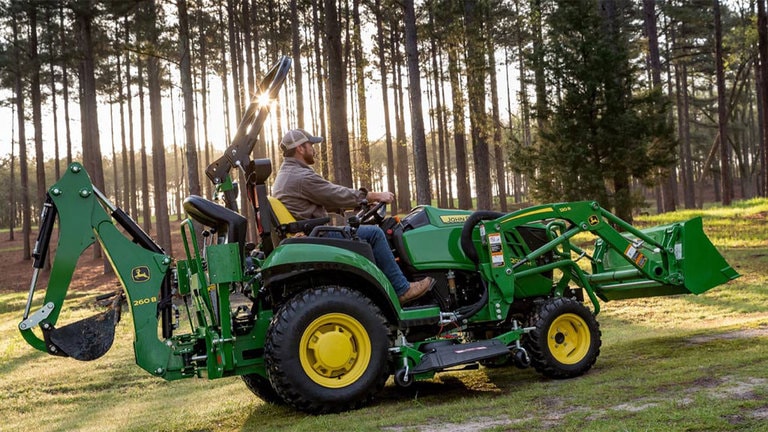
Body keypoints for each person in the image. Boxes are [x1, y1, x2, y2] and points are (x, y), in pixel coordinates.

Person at [271, 128, 434, 305]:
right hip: (315, 236)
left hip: (307, 233)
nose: (314, 149)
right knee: (375, 234)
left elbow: (319, 200)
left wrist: (360, 205)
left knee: (370, 232)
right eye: (311, 145)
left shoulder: (287, 174)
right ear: (300, 148)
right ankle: (402, 289)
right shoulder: (300, 176)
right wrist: (372, 196)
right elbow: (334, 193)